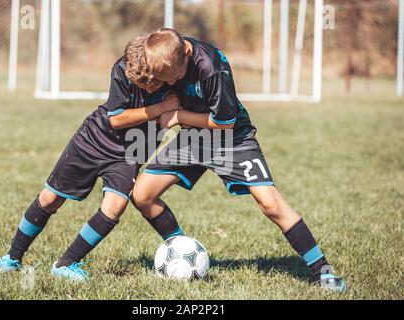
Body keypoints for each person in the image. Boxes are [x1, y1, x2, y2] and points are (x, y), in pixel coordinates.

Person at [131, 28, 347, 292]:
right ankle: (182, 250)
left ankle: (323, 271)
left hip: (232, 139)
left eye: (175, 76)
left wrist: (177, 117)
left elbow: (224, 122)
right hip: (194, 139)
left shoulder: (211, 66)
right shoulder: (163, 56)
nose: (172, 81)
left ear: (186, 53)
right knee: (142, 195)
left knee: (271, 204)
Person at [0, 36, 184, 281]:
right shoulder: (123, 68)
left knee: (115, 206)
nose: (145, 89)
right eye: (140, 85)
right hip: (94, 140)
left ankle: (66, 264)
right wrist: (160, 108)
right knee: (51, 198)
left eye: (150, 85)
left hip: (130, 150)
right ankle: (12, 257)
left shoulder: (174, 74)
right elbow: (116, 118)